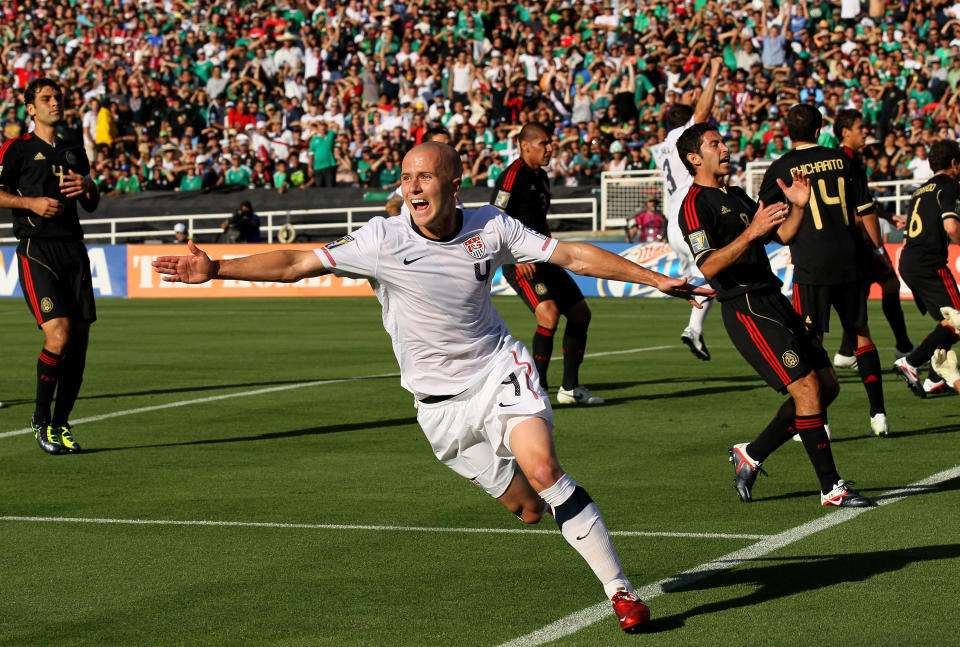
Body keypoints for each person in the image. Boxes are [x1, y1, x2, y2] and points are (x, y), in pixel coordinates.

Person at [153, 142, 712, 634]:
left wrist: (655, 277)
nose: (411, 186)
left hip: (498, 369)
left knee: (544, 471)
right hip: (438, 408)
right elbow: (298, 260)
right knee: (528, 509)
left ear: (452, 182)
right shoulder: (381, 238)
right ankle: (538, 497)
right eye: (404, 177)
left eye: (423, 176)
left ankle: (621, 592)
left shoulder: (491, 224)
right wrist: (219, 268)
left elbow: (569, 254)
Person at [677, 122, 871, 508]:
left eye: (723, 140)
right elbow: (709, 266)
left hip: (774, 299)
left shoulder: (735, 194)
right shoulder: (694, 204)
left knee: (827, 386)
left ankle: (752, 452)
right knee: (807, 389)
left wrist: (799, 206)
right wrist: (750, 235)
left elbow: (781, 236)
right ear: (695, 158)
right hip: (746, 306)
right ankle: (831, 487)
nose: (725, 147)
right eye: (715, 143)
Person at [758, 104, 890, 437]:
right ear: (820, 131)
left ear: (788, 132)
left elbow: (765, 215)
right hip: (850, 260)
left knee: (811, 344)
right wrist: (877, 252)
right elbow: (864, 212)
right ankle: (878, 414)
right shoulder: (844, 161)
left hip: (811, 265)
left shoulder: (781, 167)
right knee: (861, 335)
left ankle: (821, 421)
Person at [0, 78, 100, 455]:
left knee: (78, 344)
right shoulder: (16, 149)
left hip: (74, 249)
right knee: (57, 335)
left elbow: (90, 203)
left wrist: (88, 185)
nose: (55, 103)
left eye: (58, 97)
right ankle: (41, 420)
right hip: (36, 249)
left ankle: (61, 424)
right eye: (46, 99)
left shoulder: (74, 148)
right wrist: (30, 204)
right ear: (30, 108)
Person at [491, 123, 601, 405]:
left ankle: (570, 388)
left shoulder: (541, 177)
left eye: (551, 142)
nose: (550, 148)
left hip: (546, 256)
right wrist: (514, 258)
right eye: (543, 143)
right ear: (524, 145)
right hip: (521, 262)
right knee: (549, 315)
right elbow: (494, 220)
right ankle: (537, 390)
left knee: (580, 314)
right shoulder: (512, 176)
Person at [651, 56, 723, 361]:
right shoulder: (684, 137)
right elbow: (703, 112)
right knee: (716, 270)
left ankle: (695, 327)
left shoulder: (662, 146)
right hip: (690, 215)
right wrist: (715, 73)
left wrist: (684, 101)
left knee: (705, 275)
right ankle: (695, 328)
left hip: (673, 220)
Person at [830, 109, 914, 369]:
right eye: (860, 127)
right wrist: (874, 245)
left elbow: (862, 202)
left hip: (857, 235)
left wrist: (888, 217)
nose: (865, 131)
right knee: (886, 282)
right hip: (857, 237)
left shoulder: (851, 158)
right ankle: (903, 347)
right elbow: (852, 209)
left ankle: (847, 352)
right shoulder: (845, 160)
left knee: (866, 289)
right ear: (845, 132)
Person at [892, 139, 960, 396]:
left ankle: (934, 379)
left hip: (909, 260)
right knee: (957, 321)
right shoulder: (950, 185)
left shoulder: (919, 191)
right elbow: (951, 227)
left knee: (947, 325)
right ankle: (911, 361)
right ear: (954, 163)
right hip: (929, 263)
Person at [383, 127, 452, 217]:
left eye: (449, 145)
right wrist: (407, 228)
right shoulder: (417, 179)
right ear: (427, 148)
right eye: (441, 145)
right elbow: (391, 206)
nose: (448, 149)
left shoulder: (449, 176)